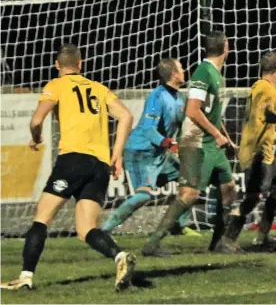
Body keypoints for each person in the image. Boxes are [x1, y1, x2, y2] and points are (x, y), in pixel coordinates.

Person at [1, 44, 136, 291]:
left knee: (41, 219)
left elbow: (36, 120)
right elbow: (126, 116)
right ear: (80, 64)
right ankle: (119, 257)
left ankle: (25, 277)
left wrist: (36, 136)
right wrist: (116, 154)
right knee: (86, 229)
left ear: (57, 65)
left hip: (73, 159)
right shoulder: (98, 88)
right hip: (99, 164)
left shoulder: (55, 85)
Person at [143, 31, 237, 256]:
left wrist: (226, 137)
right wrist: (216, 134)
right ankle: (152, 244)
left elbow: (210, 112)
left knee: (228, 188)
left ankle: (219, 243)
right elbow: (193, 110)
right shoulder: (203, 72)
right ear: (226, 46)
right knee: (189, 195)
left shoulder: (215, 73)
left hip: (211, 145)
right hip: (196, 143)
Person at [101, 59, 200, 250]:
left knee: (191, 179)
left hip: (160, 152)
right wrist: (169, 144)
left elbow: (184, 124)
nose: (184, 70)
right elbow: (148, 129)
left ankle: (179, 225)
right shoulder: (157, 96)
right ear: (174, 74)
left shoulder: (180, 98)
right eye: (181, 68)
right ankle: (103, 231)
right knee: (144, 196)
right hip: (141, 151)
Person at [223, 51, 276, 249]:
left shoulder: (260, 87)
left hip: (265, 152)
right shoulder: (266, 89)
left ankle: (262, 237)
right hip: (257, 153)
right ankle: (227, 239)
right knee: (253, 197)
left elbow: (259, 118)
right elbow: (268, 114)